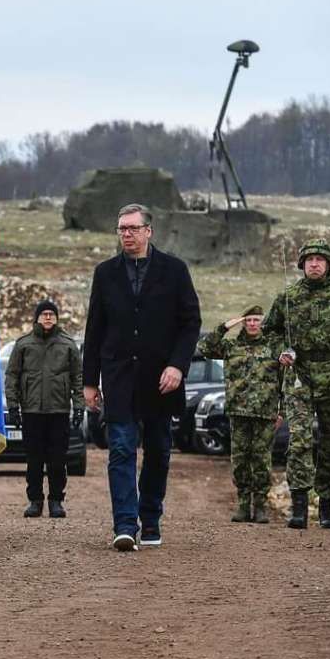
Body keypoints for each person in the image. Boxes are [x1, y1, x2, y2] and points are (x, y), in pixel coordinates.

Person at [82, 203, 201, 551]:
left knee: (159, 451)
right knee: (120, 448)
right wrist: (90, 380)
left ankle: (150, 518)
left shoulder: (175, 271)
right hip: (119, 377)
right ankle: (124, 524)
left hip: (161, 379)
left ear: (149, 231)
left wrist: (178, 365)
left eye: (133, 228)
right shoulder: (105, 273)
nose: (127, 235)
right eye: (122, 229)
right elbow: (95, 328)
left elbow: (190, 323)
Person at [263, 239, 330, 529]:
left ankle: (326, 507)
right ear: (301, 265)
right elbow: (269, 331)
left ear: (329, 265)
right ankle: (299, 506)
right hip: (299, 376)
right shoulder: (288, 297)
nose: (314, 264)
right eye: (309, 259)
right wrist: (280, 351)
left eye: (320, 260)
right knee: (299, 440)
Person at [198, 305, 282, 523]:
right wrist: (225, 326)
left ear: (262, 322)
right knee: (240, 460)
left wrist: (281, 410)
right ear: (243, 322)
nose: (252, 324)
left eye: (256, 320)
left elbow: (285, 380)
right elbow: (205, 347)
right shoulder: (232, 346)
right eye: (248, 320)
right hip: (239, 412)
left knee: (262, 460)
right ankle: (243, 505)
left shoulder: (274, 347)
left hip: (266, 413)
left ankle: (261, 506)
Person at [5, 300, 83, 519]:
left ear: (56, 318)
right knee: (34, 460)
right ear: (37, 318)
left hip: (58, 411)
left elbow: (78, 377)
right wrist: (13, 407)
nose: (48, 318)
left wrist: (78, 408)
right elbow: (12, 377)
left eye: (52, 314)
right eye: (44, 314)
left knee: (58, 460)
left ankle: (56, 501)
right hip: (32, 411)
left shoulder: (68, 345)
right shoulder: (23, 345)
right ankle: (35, 501)